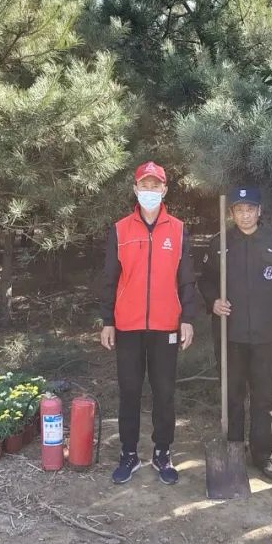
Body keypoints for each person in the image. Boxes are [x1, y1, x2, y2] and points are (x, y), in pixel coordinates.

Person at [98, 161, 197, 485]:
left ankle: (162, 453)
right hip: (127, 325)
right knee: (129, 391)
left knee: (164, 392)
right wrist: (108, 320)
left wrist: (187, 319)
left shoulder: (178, 229)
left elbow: (187, 279)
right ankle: (128, 454)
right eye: (145, 185)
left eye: (156, 185)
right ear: (136, 189)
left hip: (166, 325)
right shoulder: (120, 229)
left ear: (165, 190)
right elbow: (110, 278)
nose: (150, 190)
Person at [198, 186, 272, 483]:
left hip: (265, 334)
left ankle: (263, 455)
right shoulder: (219, 244)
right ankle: (234, 450)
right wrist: (213, 301)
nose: (245, 215)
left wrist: (269, 311)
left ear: (259, 211)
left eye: (250, 209)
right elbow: (205, 281)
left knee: (264, 397)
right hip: (230, 333)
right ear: (232, 213)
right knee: (232, 394)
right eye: (239, 210)